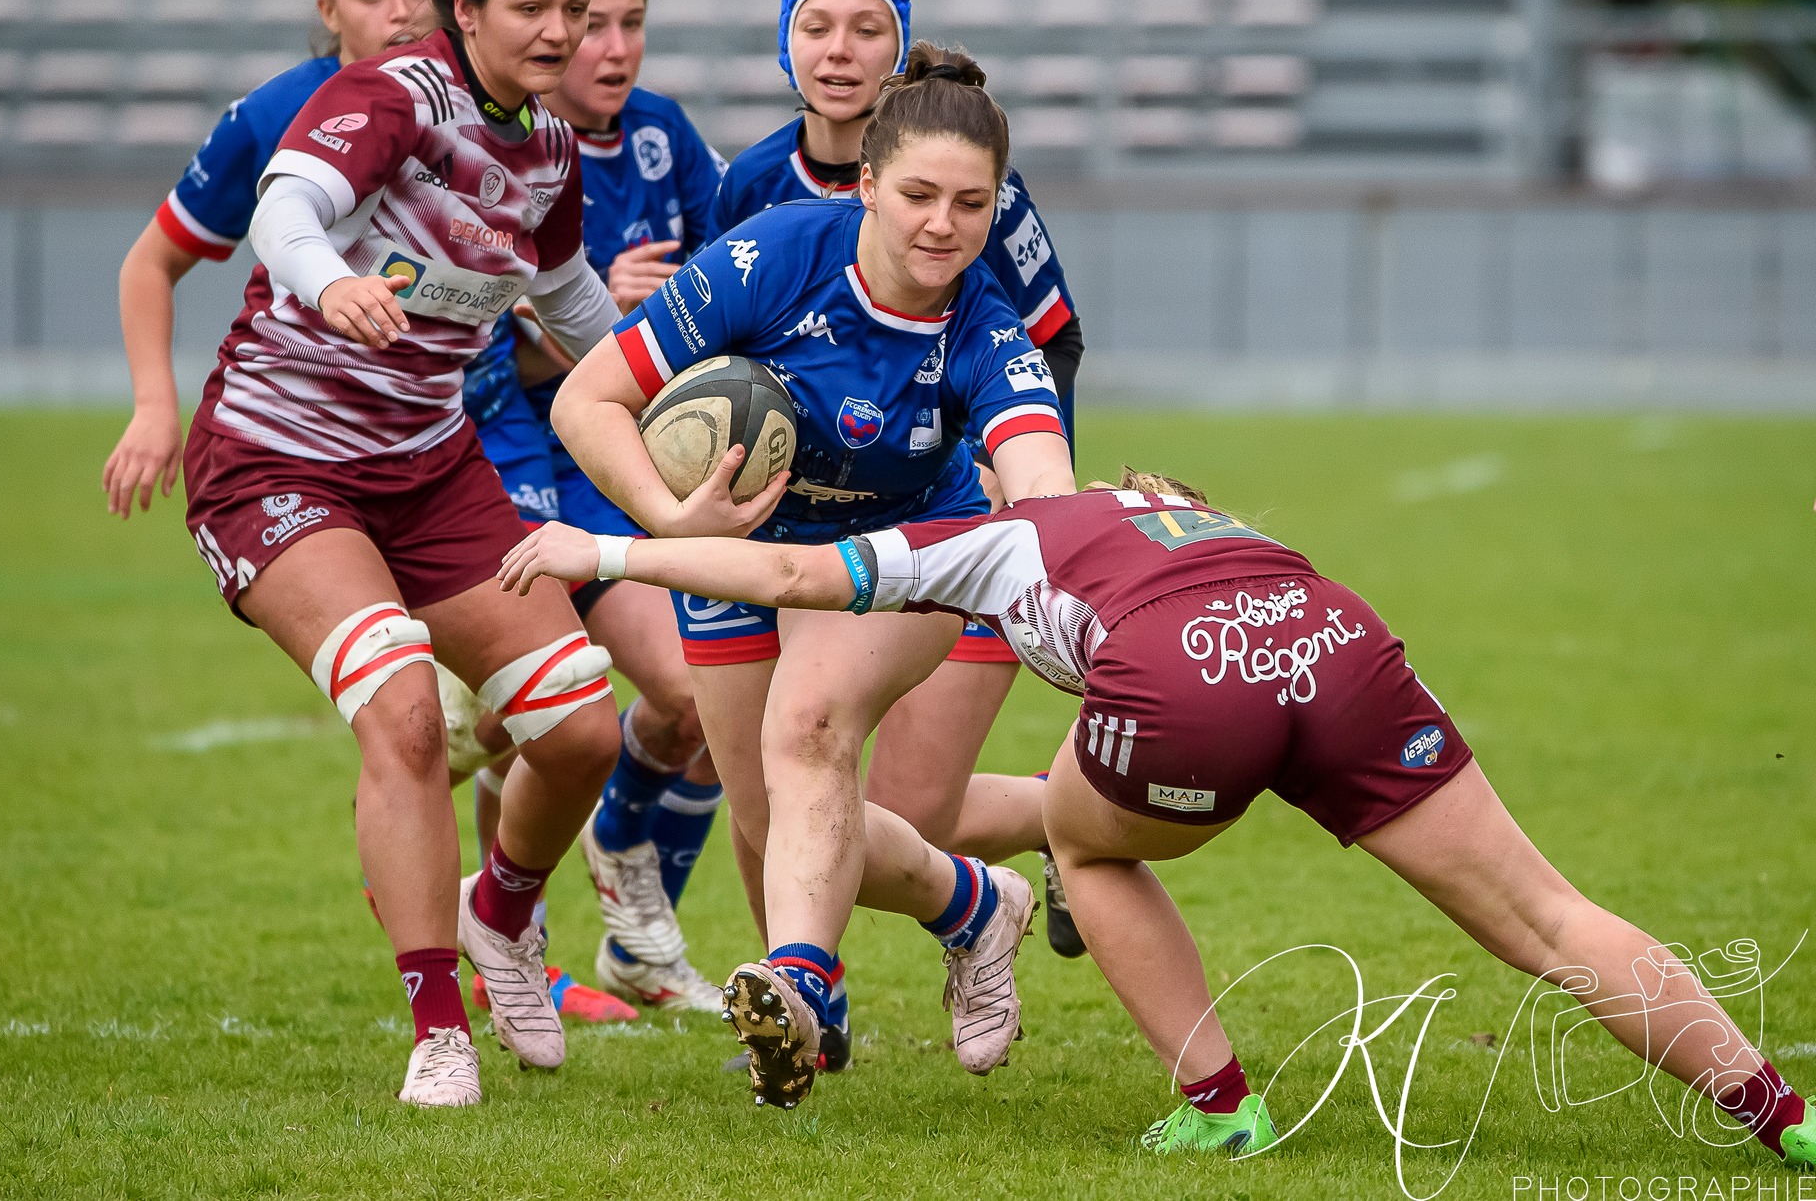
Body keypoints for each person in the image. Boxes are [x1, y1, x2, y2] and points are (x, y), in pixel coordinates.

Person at [497, 477, 1816, 1170]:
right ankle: (1779, 1110)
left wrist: (605, 553)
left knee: (1090, 842)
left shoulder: (988, 538)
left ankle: (1220, 1104)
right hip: (1335, 635)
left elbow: (788, 573)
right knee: (1544, 911)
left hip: (1189, 679)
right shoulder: (1172, 505)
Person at [549, 43, 1076, 1108]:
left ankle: (803, 979)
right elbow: (584, 402)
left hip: (903, 556)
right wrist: (671, 518)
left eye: (969, 205)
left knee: (811, 731)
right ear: (867, 183)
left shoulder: (987, 333)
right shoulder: (775, 256)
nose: (941, 224)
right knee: (773, 813)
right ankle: (973, 904)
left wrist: (1083, 542)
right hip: (744, 555)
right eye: (918, 193)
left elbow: (1040, 491)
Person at [167, 0, 627, 1110]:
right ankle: (438, 1028)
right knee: (408, 712)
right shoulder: (392, 97)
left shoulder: (550, 146)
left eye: (574, 11)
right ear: (461, 9)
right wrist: (325, 287)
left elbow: (569, 297)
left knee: (584, 727)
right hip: (278, 465)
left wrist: (669, 379)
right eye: (530, 7)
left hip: (430, 469)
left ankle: (502, 917)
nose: (560, 32)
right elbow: (283, 214)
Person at [702, 0, 1091, 960]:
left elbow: (1048, 339)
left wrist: (1025, 496)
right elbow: (715, 357)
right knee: (780, 792)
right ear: (783, 43)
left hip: (952, 514)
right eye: (815, 28)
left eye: (865, 29)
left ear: (898, 46)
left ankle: (1064, 817)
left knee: (916, 810)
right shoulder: (749, 184)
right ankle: (791, 998)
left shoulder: (973, 186)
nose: (837, 52)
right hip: (790, 526)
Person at [461, 0, 730, 1014]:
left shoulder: (665, 135)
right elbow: (482, 351)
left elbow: (729, 273)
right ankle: (514, 946)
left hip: (634, 460)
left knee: (688, 694)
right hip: (517, 458)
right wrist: (592, 315)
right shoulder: (500, 154)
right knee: (519, 719)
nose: (609, 47)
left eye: (628, 24)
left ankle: (628, 921)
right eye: (588, 22)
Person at [103, 0, 433, 520]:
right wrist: (154, 406)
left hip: (457, 427)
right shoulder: (272, 116)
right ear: (329, 12)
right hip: (309, 434)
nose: (401, 11)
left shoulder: (490, 110)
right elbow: (149, 264)